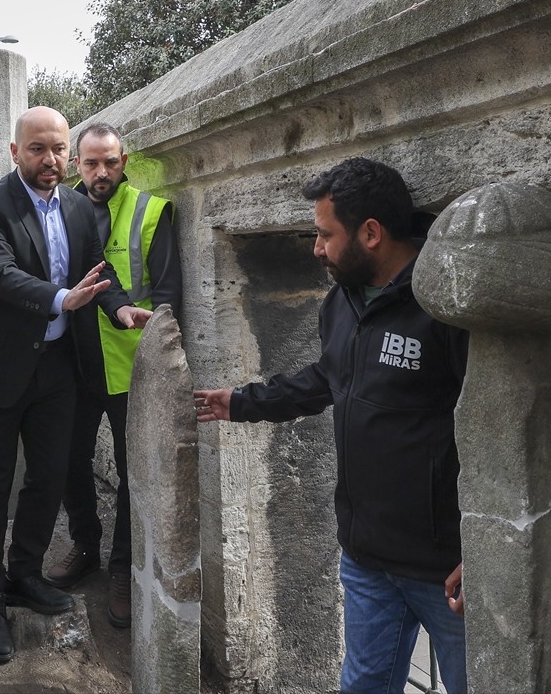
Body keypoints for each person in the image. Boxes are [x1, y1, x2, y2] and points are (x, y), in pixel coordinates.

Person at [193, 157, 469, 694]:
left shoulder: (445, 306)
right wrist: (243, 402)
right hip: (367, 557)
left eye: (324, 234)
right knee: (363, 684)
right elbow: (328, 376)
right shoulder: (343, 300)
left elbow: (495, 429)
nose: (315, 248)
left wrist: (480, 546)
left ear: (371, 233)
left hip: (448, 570)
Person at [0, 107, 151, 664]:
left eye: (59, 149)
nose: (51, 160)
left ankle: (24, 574)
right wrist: (62, 299)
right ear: (16, 153)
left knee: (51, 476)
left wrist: (121, 307)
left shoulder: (80, 206)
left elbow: (97, 268)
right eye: (38, 149)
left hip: (59, 367)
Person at [45, 123, 183, 629]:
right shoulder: (56, 209)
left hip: (130, 366)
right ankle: (85, 545)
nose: (101, 173)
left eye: (110, 162)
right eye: (90, 163)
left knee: (132, 473)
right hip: (72, 364)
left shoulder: (151, 211)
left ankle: (122, 567)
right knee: (67, 461)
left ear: (124, 160)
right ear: (76, 164)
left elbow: (168, 295)